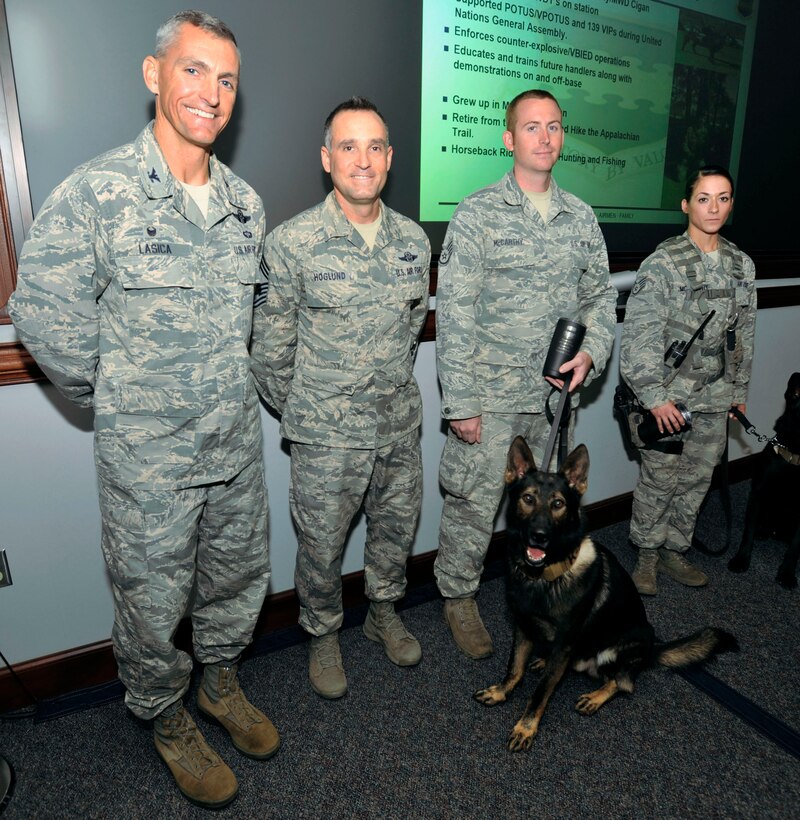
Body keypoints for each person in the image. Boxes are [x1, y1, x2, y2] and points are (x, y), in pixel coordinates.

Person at [8, 11, 278, 809]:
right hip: (149, 467)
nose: (212, 92)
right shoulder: (100, 191)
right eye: (195, 70)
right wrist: (119, 396)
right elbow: (43, 312)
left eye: (227, 79)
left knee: (237, 585)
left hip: (232, 448)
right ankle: (165, 716)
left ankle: (221, 686)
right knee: (152, 605)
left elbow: (251, 325)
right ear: (154, 75)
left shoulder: (244, 205)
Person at [250, 97, 431, 699]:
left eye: (375, 146)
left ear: (390, 158)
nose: (363, 159)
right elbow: (270, 354)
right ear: (327, 158)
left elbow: (409, 334)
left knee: (395, 529)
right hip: (326, 437)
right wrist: (311, 412)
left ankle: (383, 613)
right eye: (348, 146)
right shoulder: (292, 243)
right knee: (322, 545)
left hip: (398, 426)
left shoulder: (413, 241)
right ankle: (323, 634)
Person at [434, 89, 617, 659]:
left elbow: (600, 300)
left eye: (554, 127)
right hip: (489, 398)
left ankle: (530, 590)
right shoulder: (478, 212)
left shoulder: (581, 217)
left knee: (540, 514)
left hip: (552, 403)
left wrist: (594, 353)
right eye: (531, 127)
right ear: (510, 139)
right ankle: (458, 597)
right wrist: (461, 401)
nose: (544, 137)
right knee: (473, 502)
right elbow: (455, 311)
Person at [620, 166, 756, 596]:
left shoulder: (741, 265)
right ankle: (645, 554)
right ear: (686, 205)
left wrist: (739, 392)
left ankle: (674, 549)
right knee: (660, 478)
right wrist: (655, 399)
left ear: (732, 204)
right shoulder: (662, 264)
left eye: (723, 197)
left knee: (697, 478)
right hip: (666, 396)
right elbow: (638, 339)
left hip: (715, 393)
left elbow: (744, 334)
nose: (713, 207)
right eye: (703, 198)